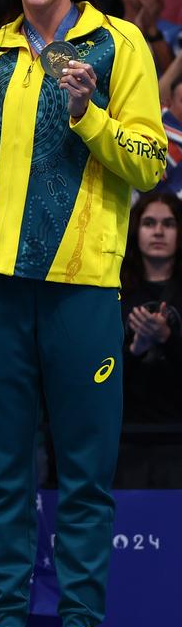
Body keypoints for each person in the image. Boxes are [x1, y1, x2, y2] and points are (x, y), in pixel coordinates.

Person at [0, 0, 167, 627]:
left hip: (82, 284)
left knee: (85, 474)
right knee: (2, 473)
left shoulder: (120, 44)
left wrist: (88, 113)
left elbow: (148, 163)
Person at [116, 193, 182, 487]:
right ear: (135, 230)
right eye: (149, 223)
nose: (158, 231)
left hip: (176, 437)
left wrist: (167, 338)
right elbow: (96, 374)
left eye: (168, 224)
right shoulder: (114, 292)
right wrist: (135, 349)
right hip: (125, 437)